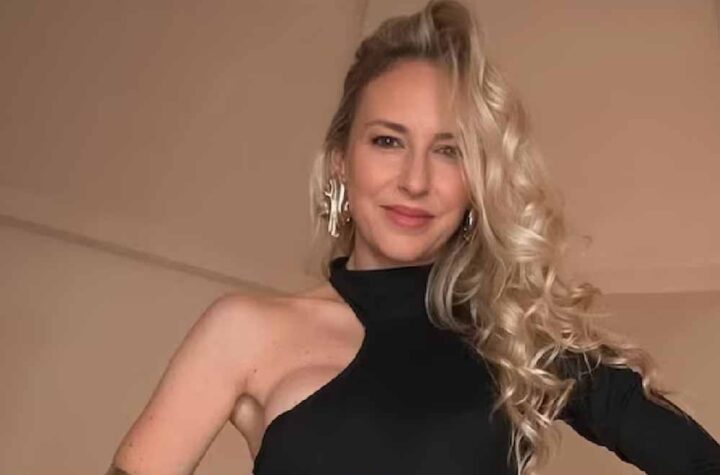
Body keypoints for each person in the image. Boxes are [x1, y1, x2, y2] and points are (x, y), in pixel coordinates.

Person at [105, 1, 720, 474]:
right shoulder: (244, 331)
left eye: (449, 150)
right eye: (388, 141)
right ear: (341, 160)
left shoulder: (519, 336)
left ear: (477, 180)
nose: (416, 180)